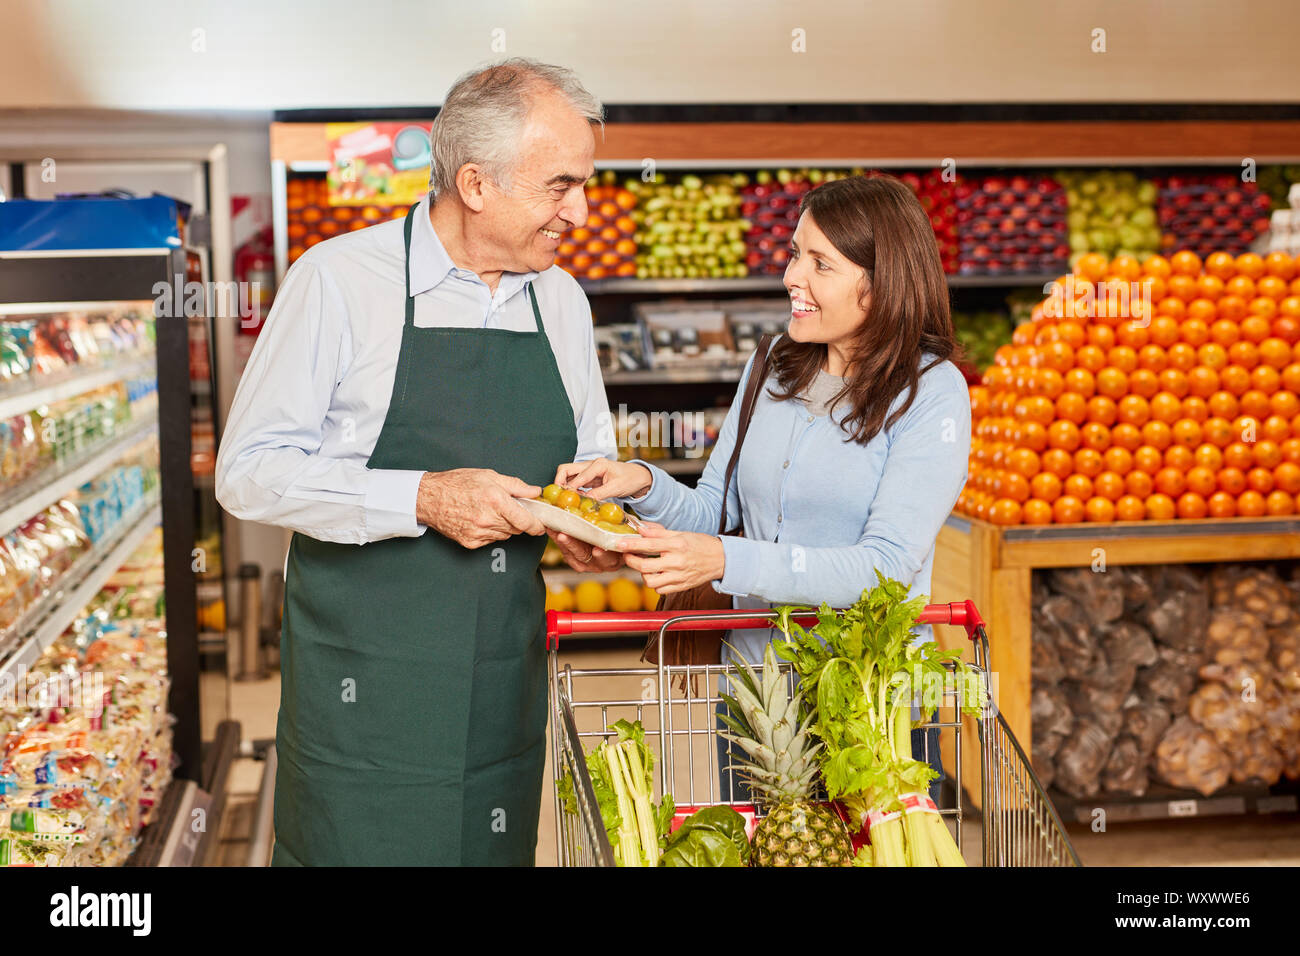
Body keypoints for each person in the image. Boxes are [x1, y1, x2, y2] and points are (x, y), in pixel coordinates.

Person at [215, 59, 623, 866]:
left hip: (499, 679)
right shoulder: (337, 282)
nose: (580, 210)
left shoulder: (563, 301)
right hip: (361, 688)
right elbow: (248, 469)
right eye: (560, 186)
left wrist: (584, 518)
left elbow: (590, 456)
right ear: (476, 183)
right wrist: (425, 498)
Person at [556, 173, 972, 802]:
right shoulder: (773, 362)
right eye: (794, 253)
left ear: (882, 280)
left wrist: (725, 559)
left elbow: (885, 568)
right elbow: (713, 510)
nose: (791, 277)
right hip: (757, 698)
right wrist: (641, 483)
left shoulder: (932, 392)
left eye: (820, 263)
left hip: (869, 702)